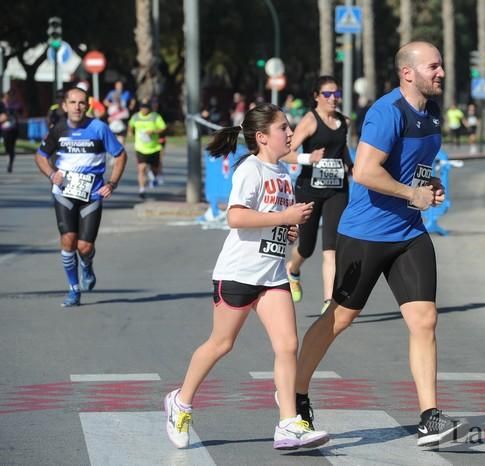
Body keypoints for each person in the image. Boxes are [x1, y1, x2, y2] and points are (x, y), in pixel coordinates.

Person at [293, 41, 464, 447]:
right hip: (366, 233)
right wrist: (411, 193)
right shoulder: (386, 113)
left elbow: (413, 168)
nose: (441, 72)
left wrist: (427, 187)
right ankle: (294, 396)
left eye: (441, 66)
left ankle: (429, 417)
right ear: (408, 73)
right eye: (433, 66)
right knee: (340, 317)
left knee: (424, 319)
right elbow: (367, 172)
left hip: (408, 233)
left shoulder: (433, 112)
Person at [164, 103, 328, 451]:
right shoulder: (250, 170)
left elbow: (270, 218)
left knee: (287, 346)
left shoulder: (283, 172)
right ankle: (180, 402)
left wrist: (288, 228)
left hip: (272, 275)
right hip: (238, 273)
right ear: (262, 136)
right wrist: (284, 216)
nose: (289, 132)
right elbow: (236, 218)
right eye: (283, 128)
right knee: (221, 343)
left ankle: (287, 424)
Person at [34, 85, 127, 307]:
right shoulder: (58, 129)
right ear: (64, 106)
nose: (77, 107)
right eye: (73, 102)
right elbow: (40, 156)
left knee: (84, 246)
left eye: (82, 102)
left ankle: (87, 263)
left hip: (92, 194)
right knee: (68, 241)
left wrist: (112, 183)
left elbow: (120, 154)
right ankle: (73, 290)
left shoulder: (99, 128)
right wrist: (51, 174)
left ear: (88, 105)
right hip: (64, 193)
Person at [283, 76, 352, 312]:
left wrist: (353, 168)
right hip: (309, 189)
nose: (333, 99)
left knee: (332, 247)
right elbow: (285, 152)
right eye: (327, 94)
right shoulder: (309, 121)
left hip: (337, 189)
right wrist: (308, 158)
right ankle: (292, 269)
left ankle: (328, 302)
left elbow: (342, 151)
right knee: (307, 247)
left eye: (336, 93)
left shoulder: (344, 122)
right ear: (316, 96)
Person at [128, 99, 167, 199]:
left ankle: (153, 174)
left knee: (155, 169)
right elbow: (130, 124)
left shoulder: (155, 117)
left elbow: (163, 128)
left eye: (146, 108)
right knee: (141, 168)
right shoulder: (136, 117)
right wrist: (130, 132)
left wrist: (153, 131)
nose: (144, 110)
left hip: (154, 148)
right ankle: (142, 189)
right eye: (142, 108)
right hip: (140, 148)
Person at [0, 92, 20, 173]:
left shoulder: (15, 105)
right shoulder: (1, 105)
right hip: (4, 129)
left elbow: (20, 113)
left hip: (14, 129)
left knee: (12, 147)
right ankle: (9, 157)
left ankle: (10, 163)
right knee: (7, 147)